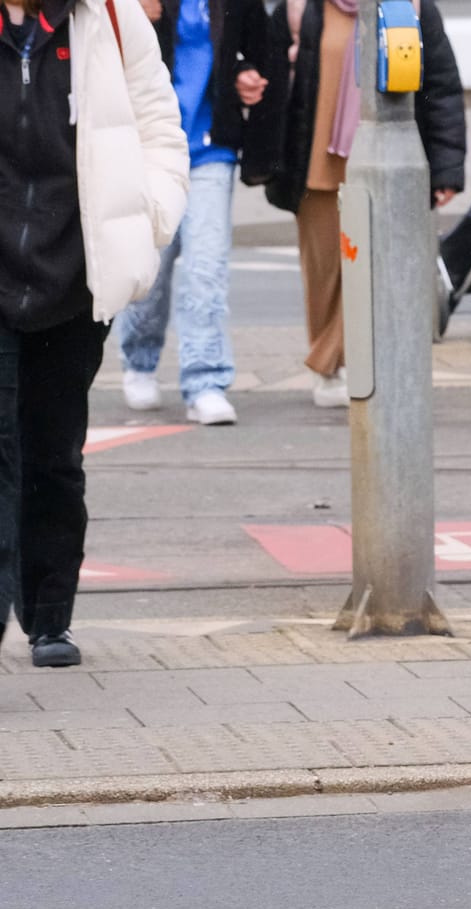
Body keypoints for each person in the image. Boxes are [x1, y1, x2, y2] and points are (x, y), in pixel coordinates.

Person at [1, 0, 189, 667]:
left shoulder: (108, 16)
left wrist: (151, 218)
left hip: (73, 276)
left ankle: (49, 616)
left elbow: (161, 126)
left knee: (52, 457)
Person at [237, 0, 464, 408]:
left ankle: (333, 361)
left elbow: (443, 86)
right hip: (317, 168)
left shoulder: (409, 7)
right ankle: (331, 371)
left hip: (388, 166)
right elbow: (267, 78)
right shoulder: (299, 9)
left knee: (379, 268)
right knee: (325, 276)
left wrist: (446, 167)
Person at [116, 0, 246, 426]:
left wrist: (249, 76)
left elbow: (258, 44)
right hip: (152, 148)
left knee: (207, 269)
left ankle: (205, 381)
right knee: (154, 266)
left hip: (212, 149)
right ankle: (139, 359)